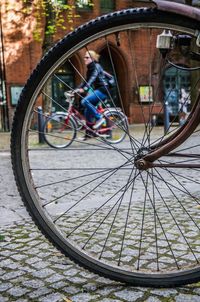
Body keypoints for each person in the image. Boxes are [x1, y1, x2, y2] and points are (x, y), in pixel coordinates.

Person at [75, 50, 109, 140]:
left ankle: (99, 118)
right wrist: (75, 90)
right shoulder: (90, 69)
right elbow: (85, 81)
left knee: (84, 101)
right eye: (84, 57)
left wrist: (85, 88)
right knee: (87, 112)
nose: (84, 59)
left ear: (92, 59)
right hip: (98, 90)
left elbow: (92, 78)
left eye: (87, 57)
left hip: (103, 90)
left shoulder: (96, 67)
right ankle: (90, 134)